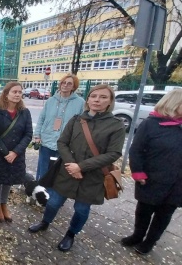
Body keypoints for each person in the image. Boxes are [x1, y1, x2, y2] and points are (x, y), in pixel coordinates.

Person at [28, 84, 125, 252]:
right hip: (68, 171)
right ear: (88, 99)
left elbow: (113, 153)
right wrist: (72, 165)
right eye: (94, 96)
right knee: (53, 203)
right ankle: (45, 222)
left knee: (81, 209)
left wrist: (81, 167)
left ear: (110, 102)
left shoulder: (116, 125)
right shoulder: (77, 120)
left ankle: (70, 234)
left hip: (93, 176)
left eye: (103, 97)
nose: (97, 100)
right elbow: (62, 143)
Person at [121, 89, 182, 255]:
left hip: (178, 184)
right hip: (152, 179)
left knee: (164, 215)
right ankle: (137, 235)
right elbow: (137, 150)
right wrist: (138, 172)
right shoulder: (151, 124)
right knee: (144, 211)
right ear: (174, 105)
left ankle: (149, 242)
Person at [0, 82, 32, 222]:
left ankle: (4, 204)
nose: (17, 94)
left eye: (20, 92)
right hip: (0, 152)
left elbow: (28, 134)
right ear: (6, 94)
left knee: (9, 179)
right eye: (14, 92)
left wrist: (15, 152)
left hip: (16, 154)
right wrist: (6, 152)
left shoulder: (25, 112)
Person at [33, 74, 85, 181]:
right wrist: (37, 135)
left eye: (69, 83)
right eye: (63, 82)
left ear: (74, 86)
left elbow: (82, 125)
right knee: (43, 169)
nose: (65, 85)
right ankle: (40, 191)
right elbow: (41, 119)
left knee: (60, 171)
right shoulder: (51, 100)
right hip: (47, 141)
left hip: (66, 144)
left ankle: (54, 193)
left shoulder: (80, 103)